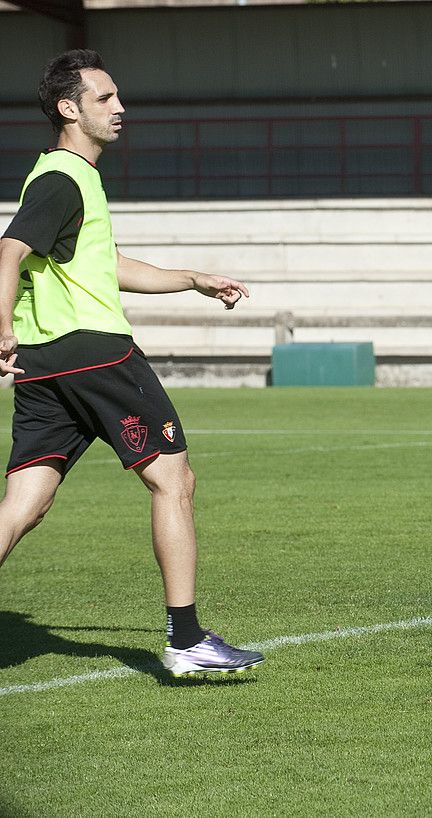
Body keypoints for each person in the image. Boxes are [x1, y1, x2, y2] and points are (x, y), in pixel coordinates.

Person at [0, 50, 264, 677]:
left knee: (23, 505)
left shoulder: (70, 179)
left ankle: (189, 638)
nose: (120, 108)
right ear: (70, 109)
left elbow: (107, 265)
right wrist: (0, 327)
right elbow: (7, 251)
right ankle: (187, 638)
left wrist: (191, 278)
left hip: (49, 363)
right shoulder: (63, 177)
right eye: (105, 99)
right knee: (174, 480)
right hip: (95, 353)